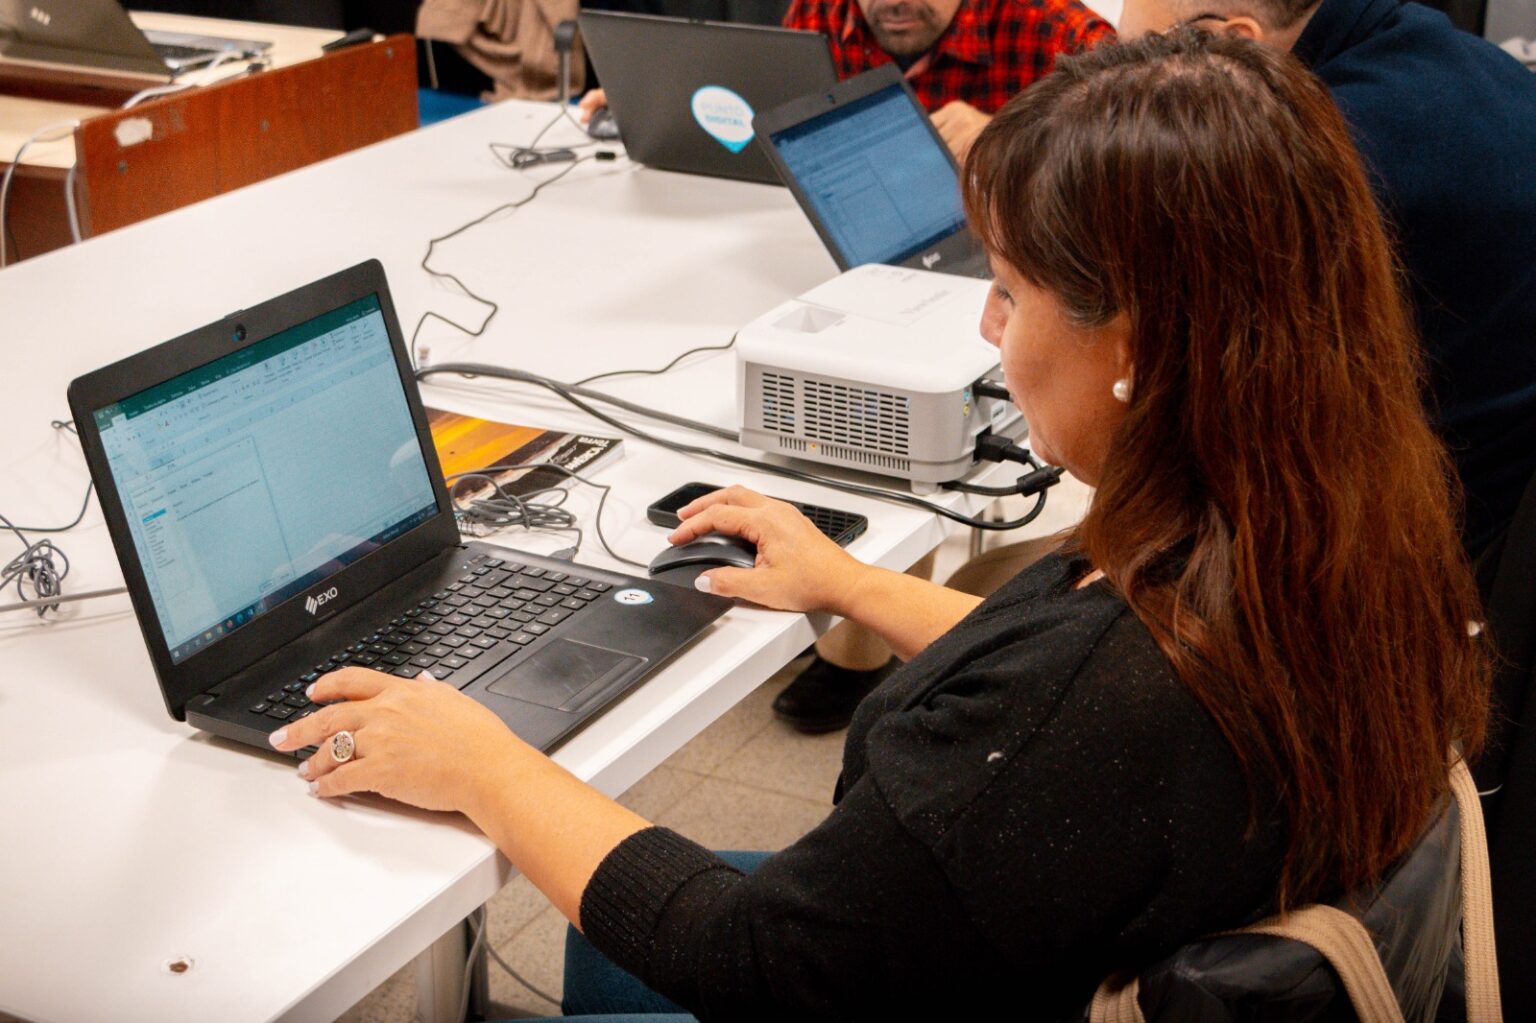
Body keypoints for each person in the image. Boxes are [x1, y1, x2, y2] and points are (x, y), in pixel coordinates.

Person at [273, 31, 1489, 1018]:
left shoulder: (1088, 705)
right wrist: (852, 583)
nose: (988, 329)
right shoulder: (1322, 512)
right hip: (1102, 919)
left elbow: (753, 962)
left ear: (1136, 342)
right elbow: (1090, 685)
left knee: (618, 913)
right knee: (606, 937)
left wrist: (486, 764)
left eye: (1007, 290)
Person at [1113, 0, 1536, 564]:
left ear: (1233, 43)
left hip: (1429, 552)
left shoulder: (1320, 155)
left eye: (1138, 63)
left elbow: (1199, 431)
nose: (1115, 93)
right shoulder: (1448, 54)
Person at [578, 0, 1112, 155]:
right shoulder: (824, 13)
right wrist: (656, 102)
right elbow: (761, 117)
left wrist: (1012, 140)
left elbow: (1144, 141)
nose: (894, 3)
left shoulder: (1053, 29)